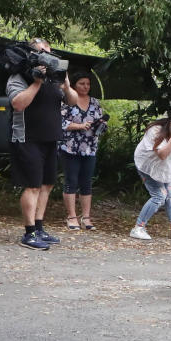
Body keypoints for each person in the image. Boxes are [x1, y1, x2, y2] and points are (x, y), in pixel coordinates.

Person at [7, 38, 79, 250]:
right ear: (32, 53)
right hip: (27, 137)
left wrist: (66, 84)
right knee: (32, 185)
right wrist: (36, 82)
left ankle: (39, 228)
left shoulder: (54, 78)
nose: (47, 55)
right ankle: (28, 233)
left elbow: (73, 101)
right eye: (42, 51)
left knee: (47, 184)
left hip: (50, 137)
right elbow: (18, 104)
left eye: (49, 50)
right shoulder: (19, 76)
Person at [129, 109, 171, 241]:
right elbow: (162, 155)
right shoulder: (155, 131)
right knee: (160, 196)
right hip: (148, 167)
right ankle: (138, 228)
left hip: (166, 169)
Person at [60, 72, 106, 231]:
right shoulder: (67, 101)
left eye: (87, 84)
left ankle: (86, 217)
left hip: (90, 148)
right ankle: (71, 216)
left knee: (87, 182)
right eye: (82, 84)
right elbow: (61, 122)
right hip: (70, 147)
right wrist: (80, 126)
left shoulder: (95, 102)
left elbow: (100, 123)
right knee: (71, 181)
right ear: (74, 85)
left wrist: (100, 125)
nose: (85, 87)